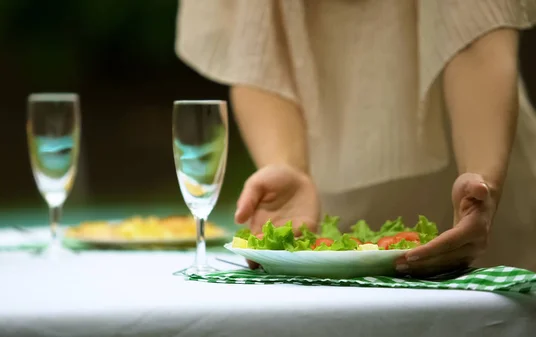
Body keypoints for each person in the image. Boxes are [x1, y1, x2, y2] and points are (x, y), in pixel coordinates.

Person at [175, 0, 536, 275]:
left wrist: (482, 180)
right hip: (322, 211)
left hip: (476, 184)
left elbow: (476, 35)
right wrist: (287, 166)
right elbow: (253, 46)